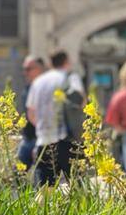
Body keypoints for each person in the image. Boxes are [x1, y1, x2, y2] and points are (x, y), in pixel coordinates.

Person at [26, 49, 84, 187]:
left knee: (45, 191)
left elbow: (31, 113)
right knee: (77, 187)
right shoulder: (70, 77)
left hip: (43, 141)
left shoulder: (38, 82)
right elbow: (81, 101)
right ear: (66, 62)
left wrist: (43, 128)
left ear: (50, 63)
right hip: (67, 140)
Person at [16, 56, 45, 172]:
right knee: (18, 175)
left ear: (40, 69)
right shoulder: (28, 88)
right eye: (24, 69)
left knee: (42, 178)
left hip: (40, 140)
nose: (25, 73)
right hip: (27, 139)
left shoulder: (45, 89)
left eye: (29, 69)